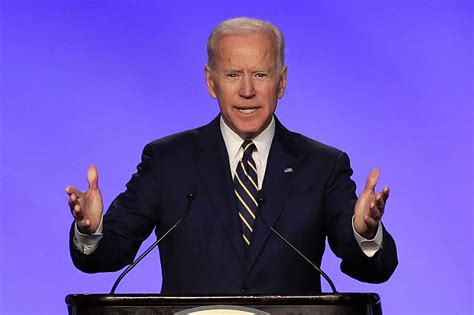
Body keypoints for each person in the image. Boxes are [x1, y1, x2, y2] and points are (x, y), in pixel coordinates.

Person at [67, 17, 397, 294]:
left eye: (261, 74)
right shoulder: (168, 161)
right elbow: (106, 254)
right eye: (233, 75)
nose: (247, 90)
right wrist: (90, 230)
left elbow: (371, 268)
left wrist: (365, 234)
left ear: (281, 83)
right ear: (212, 83)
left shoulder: (323, 166)